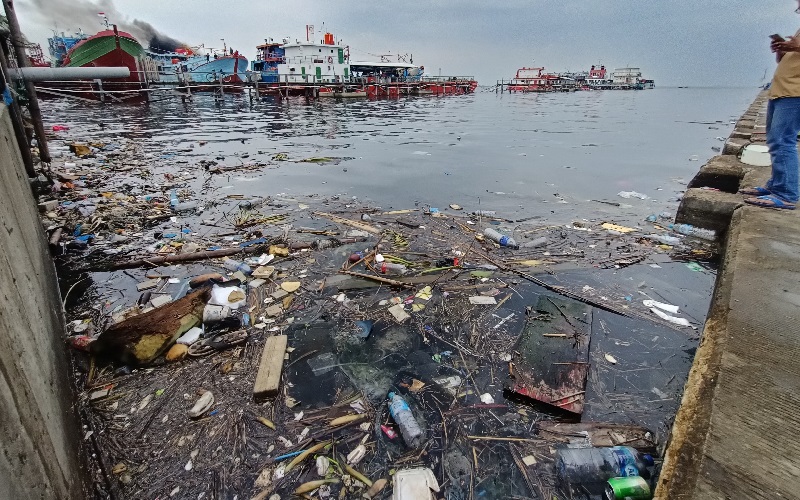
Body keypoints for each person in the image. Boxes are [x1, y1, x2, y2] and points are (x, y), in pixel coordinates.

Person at [743, 0, 800, 210]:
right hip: (781, 92)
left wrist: (796, 46)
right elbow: (786, 61)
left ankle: (786, 194)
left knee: (783, 141)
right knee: (776, 142)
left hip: (795, 94)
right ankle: (776, 185)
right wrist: (781, 50)